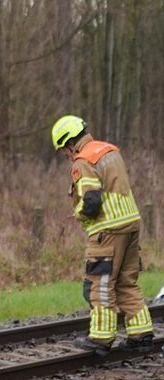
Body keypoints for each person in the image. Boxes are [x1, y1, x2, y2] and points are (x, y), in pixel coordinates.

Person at [51, 115, 155, 355]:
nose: (65, 155)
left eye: (62, 150)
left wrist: (79, 214)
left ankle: (101, 337)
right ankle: (141, 334)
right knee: (127, 282)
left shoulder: (82, 161)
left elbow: (91, 201)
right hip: (130, 223)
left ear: (69, 142)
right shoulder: (109, 151)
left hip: (107, 229)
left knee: (100, 283)